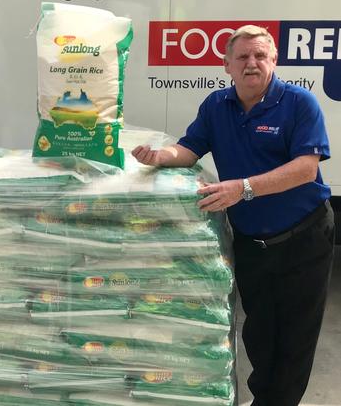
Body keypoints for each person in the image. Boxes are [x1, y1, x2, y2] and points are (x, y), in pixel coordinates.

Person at [132, 25, 335, 406]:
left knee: (295, 336)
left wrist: (241, 188)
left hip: (303, 238)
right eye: (242, 57)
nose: (252, 63)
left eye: (260, 55)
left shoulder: (299, 103)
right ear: (226, 65)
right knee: (259, 331)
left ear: (274, 60)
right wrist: (161, 157)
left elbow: (306, 168)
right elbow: (189, 149)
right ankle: (264, 399)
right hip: (252, 242)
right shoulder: (216, 106)